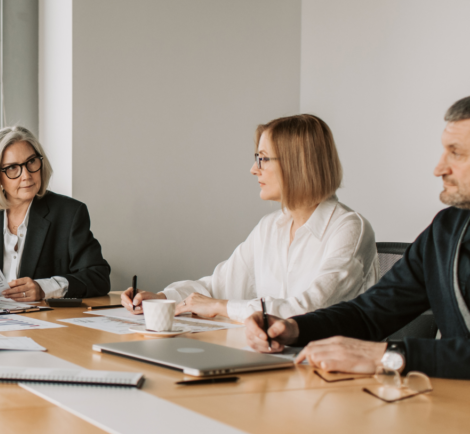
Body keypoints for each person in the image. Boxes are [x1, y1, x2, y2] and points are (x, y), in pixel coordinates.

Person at [246, 97, 470, 380]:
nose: (439, 168)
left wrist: (387, 355)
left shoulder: (348, 225)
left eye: (457, 153)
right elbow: (369, 312)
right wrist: (295, 328)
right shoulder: (446, 230)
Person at [124, 114, 378, 322]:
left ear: (297, 164)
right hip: (271, 357)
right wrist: (162, 298)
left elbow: (307, 310)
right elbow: (218, 287)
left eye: (263, 159)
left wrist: (221, 307)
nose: (253, 169)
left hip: (328, 370)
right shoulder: (270, 227)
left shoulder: (349, 229)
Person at [0, 126, 110, 303]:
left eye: (31, 162)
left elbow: (98, 277)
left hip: (44, 326)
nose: (26, 175)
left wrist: (44, 288)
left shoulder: (69, 213)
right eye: (12, 168)